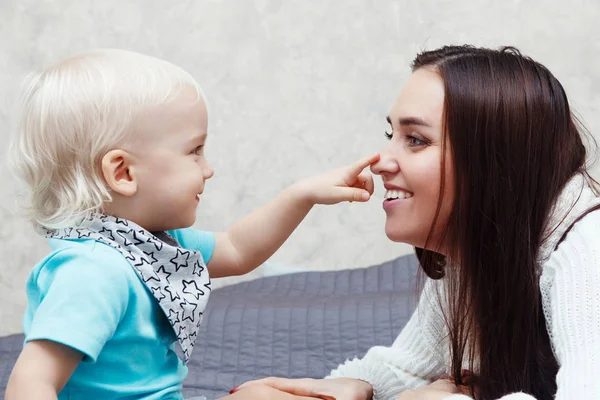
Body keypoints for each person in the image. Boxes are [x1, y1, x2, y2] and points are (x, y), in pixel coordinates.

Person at [4, 49, 379, 400]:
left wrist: (302, 194)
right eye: (195, 151)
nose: (208, 169)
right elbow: (31, 381)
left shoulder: (148, 245)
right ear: (123, 172)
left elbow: (237, 248)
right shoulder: (92, 271)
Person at [232, 45, 600, 399]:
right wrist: (352, 387)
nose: (380, 162)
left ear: (495, 163)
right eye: (393, 135)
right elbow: (409, 370)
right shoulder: (478, 246)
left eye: (417, 140)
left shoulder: (587, 253)